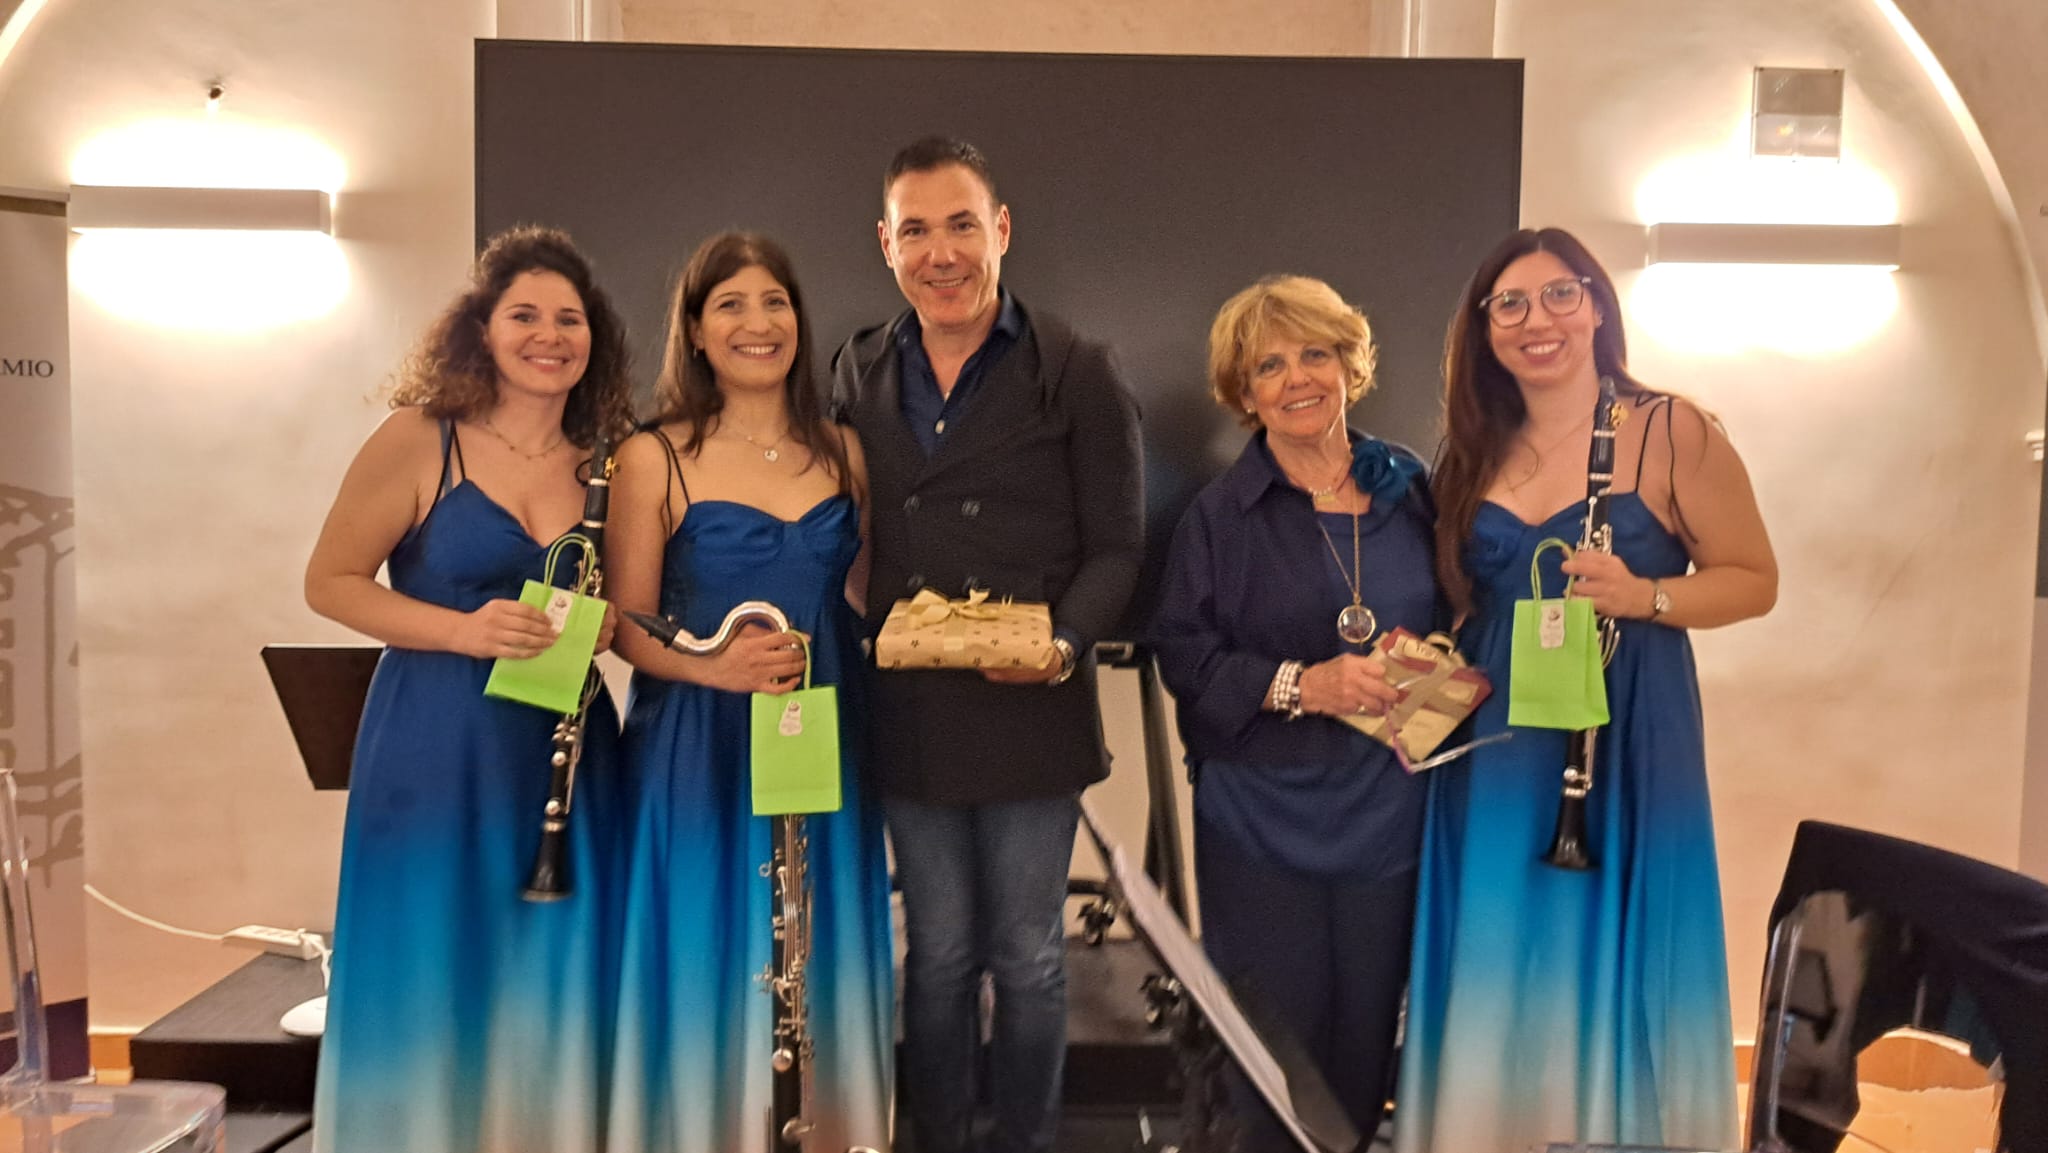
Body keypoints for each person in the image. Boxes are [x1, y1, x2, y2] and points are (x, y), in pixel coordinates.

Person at [1395, 227, 1778, 1152]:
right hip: (1496, 747)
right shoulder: (1471, 448)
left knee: (1612, 934)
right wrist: (1417, 676)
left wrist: (1647, 595)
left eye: (1560, 294)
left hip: (1626, 730)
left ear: (1597, 305)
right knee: (1500, 937)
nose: (1538, 320)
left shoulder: (1671, 429)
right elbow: (1464, 604)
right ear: (1485, 330)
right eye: (1510, 304)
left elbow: (1755, 579)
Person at [830, 136, 1144, 1153]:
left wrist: (1062, 645)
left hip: (1031, 709)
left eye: (961, 224)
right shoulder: (855, 366)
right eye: (915, 230)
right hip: (910, 713)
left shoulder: (1076, 367)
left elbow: (1117, 547)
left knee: (1028, 957)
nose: (941, 252)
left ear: (1000, 230)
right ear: (886, 245)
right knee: (934, 956)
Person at [304, 224, 633, 1153]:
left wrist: (611, 622)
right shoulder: (419, 439)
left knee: (554, 965)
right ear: (480, 328)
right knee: (431, 958)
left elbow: (626, 599)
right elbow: (329, 582)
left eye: (569, 319)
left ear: (594, 338)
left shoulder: (610, 461)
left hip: (567, 752)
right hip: (435, 743)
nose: (549, 335)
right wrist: (463, 630)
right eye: (524, 315)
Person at [604, 231, 893, 1153]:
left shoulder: (846, 451)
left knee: (817, 951)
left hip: (822, 733)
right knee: (707, 946)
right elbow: (624, 624)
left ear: (800, 322)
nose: (756, 322)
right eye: (729, 304)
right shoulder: (652, 455)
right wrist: (710, 665)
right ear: (694, 330)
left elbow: (865, 603)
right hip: (695, 740)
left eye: (775, 301)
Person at [1151, 275, 1434, 1149]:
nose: (1297, 378)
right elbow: (1184, 659)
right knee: (1273, 1061)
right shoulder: (1218, 517)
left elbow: (1461, 616)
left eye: (1315, 353)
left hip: (1388, 811)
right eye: (1268, 366)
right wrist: (1303, 686)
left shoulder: (1413, 490)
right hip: (1260, 823)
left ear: (1350, 363)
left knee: (1365, 1051)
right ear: (1243, 393)